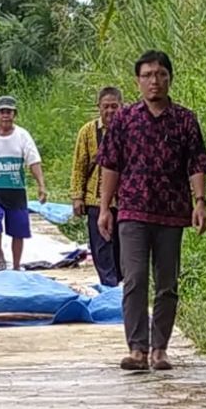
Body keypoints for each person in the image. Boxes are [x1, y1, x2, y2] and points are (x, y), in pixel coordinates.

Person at [97, 51, 206, 373]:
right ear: (138, 81)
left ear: (169, 78)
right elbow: (111, 165)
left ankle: (160, 348)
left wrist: (200, 202)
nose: (154, 81)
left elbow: (197, 164)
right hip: (132, 211)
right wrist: (105, 208)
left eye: (160, 74)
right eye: (147, 75)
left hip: (172, 213)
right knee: (134, 280)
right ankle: (137, 349)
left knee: (166, 283)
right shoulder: (125, 119)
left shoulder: (185, 120)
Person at [0, 96, 47, 271]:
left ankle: (15, 266)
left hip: (16, 191)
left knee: (18, 231)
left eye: (9, 112)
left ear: (15, 114)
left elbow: (33, 161)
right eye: (2, 112)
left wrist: (41, 185)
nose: (5, 115)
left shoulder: (22, 136)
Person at [70, 86, 123, 286]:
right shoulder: (88, 132)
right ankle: (108, 286)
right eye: (105, 107)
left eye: (114, 106)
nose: (110, 111)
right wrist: (77, 196)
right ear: (98, 107)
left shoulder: (129, 129)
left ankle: (119, 283)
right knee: (101, 246)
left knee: (121, 246)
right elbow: (79, 166)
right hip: (95, 199)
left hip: (124, 201)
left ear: (121, 106)